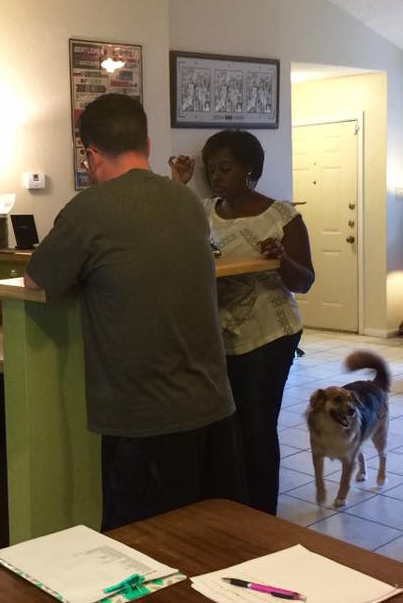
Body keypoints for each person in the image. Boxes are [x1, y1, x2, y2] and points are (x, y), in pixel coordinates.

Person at [23, 93, 246, 531]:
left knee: (141, 550)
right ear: (147, 143)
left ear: (90, 154)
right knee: (212, 543)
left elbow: (37, 279)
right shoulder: (187, 203)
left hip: (146, 418)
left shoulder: (89, 210)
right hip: (213, 404)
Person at [169, 130, 314, 514]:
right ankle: (233, 513)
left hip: (268, 334)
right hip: (218, 336)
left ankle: (262, 516)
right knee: (225, 430)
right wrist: (178, 183)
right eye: (211, 170)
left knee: (257, 428)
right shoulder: (203, 211)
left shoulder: (281, 216)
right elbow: (167, 232)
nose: (216, 177)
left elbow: (304, 281)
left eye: (225, 169)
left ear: (249, 170)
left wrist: (281, 259)